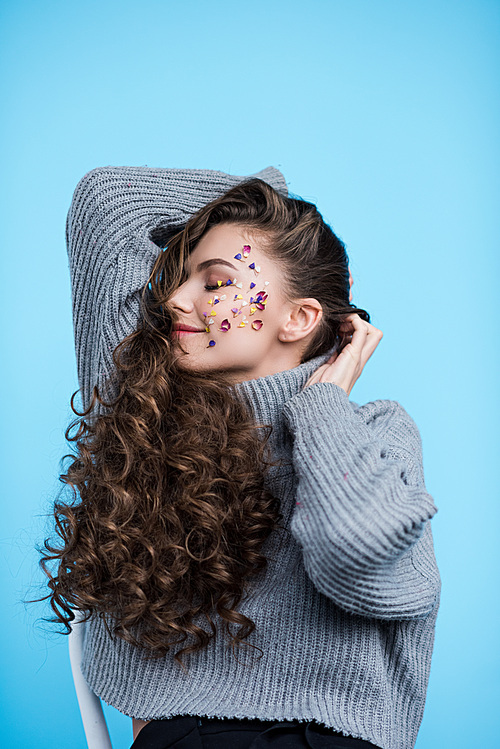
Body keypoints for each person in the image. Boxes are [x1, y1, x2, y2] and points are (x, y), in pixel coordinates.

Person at [40, 165, 441, 749]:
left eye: (214, 281)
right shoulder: (144, 409)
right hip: (183, 737)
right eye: (183, 278)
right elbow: (109, 202)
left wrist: (324, 401)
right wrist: (268, 197)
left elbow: (353, 557)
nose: (174, 298)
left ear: (300, 317)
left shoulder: (376, 431)